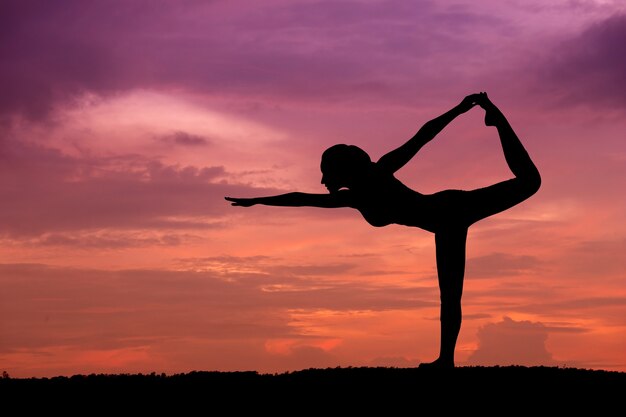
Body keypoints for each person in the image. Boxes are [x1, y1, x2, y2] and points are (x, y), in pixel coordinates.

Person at [225, 92, 541, 369]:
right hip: (444, 221)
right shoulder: (354, 199)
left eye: (326, 174)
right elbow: (301, 200)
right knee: (450, 295)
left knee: (529, 183)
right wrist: (257, 201)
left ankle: (496, 119)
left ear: (342, 171)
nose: (323, 182)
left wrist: (458, 110)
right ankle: (446, 361)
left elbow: (423, 137)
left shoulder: (379, 172)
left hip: (450, 211)